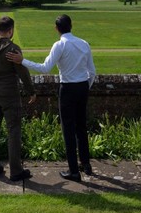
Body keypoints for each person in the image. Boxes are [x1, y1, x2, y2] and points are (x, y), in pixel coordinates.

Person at [6, 14, 96, 182]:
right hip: (83, 86)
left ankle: (74, 171)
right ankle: (86, 165)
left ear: (56, 29)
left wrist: (22, 60)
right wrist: (85, 87)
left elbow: (45, 68)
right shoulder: (84, 44)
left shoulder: (60, 45)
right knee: (81, 127)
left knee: (68, 129)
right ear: (71, 26)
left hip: (68, 88)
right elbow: (92, 72)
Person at [0, 16, 36, 182]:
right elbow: (23, 73)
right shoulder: (12, 49)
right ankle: (16, 170)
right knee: (13, 131)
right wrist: (31, 91)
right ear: (11, 30)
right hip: (10, 94)